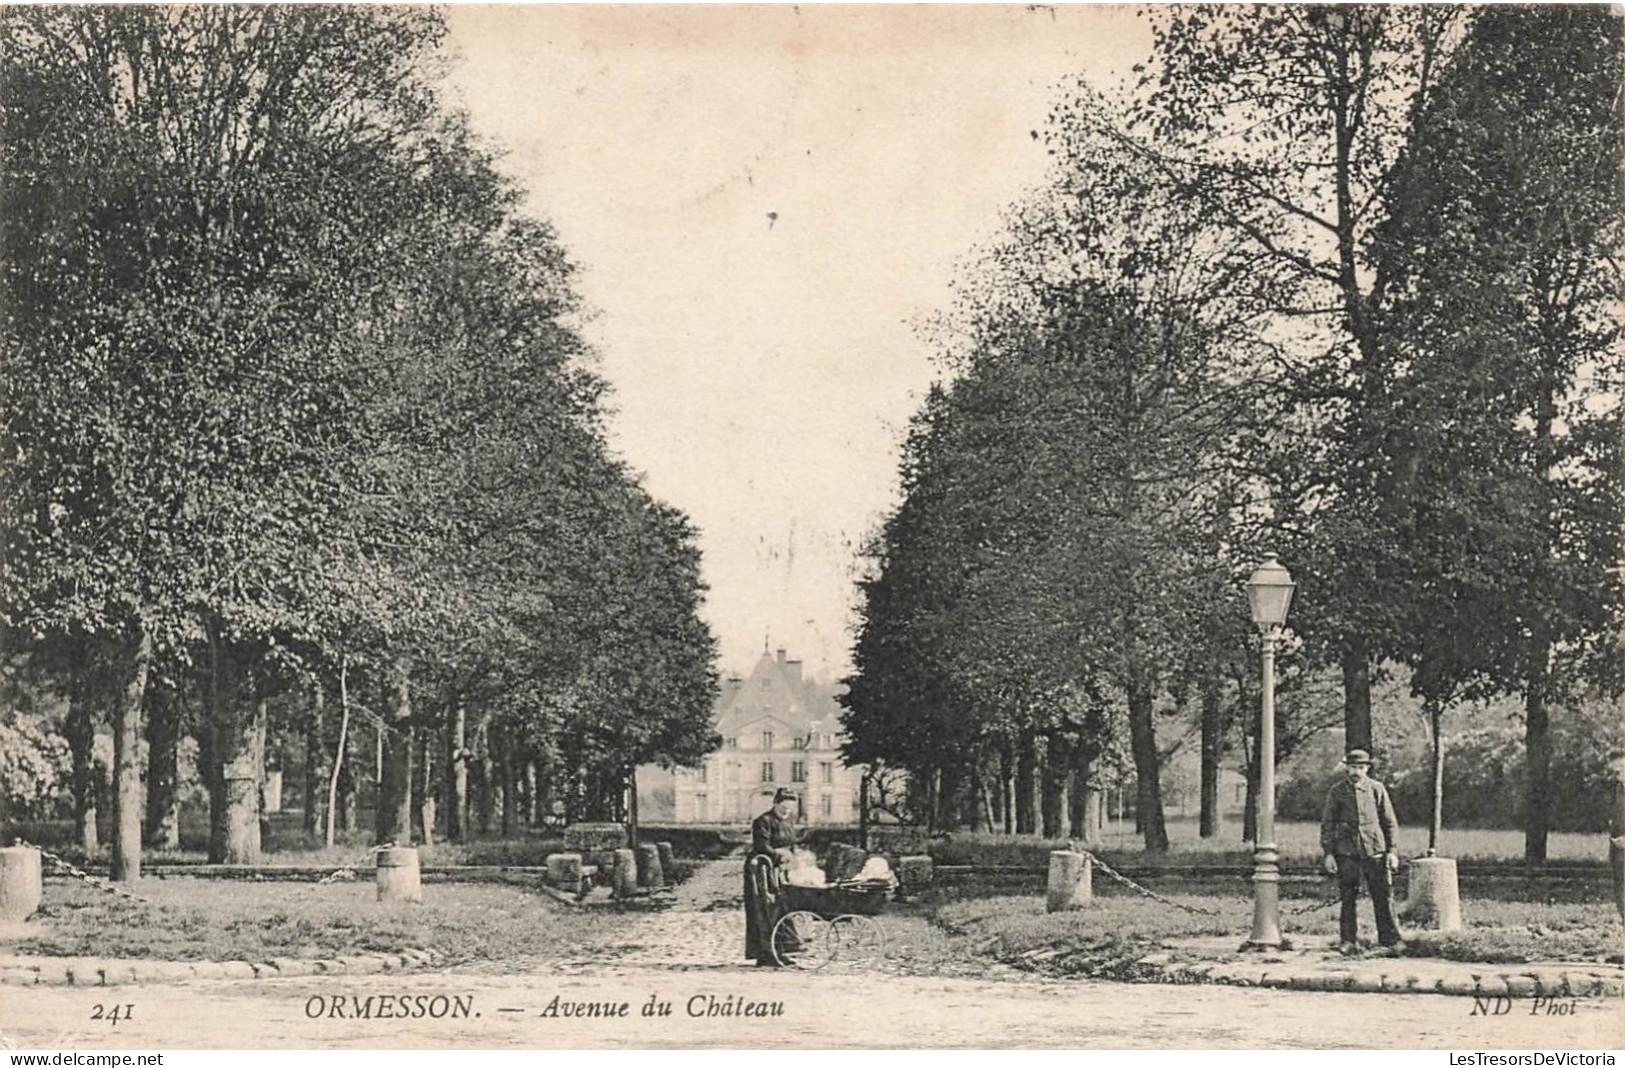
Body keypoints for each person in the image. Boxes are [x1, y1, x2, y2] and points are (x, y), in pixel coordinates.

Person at [1320, 748, 1403, 955]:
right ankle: (1348, 941)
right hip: (1346, 852)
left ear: (1367, 768)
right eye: (1353, 767)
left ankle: (1391, 940)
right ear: (1346, 768)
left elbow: (1389, 822)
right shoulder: (1337, 791)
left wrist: (1392, 851)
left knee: (1383, 896)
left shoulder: (1377, 789)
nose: (1357, 771)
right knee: (1348, 898)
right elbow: (1328, 824)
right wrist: (1329, 853)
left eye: (1361, 767)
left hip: (1375, 850)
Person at [744, 787, 799, 965]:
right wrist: (780, 855)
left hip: (778, 870)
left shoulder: (789, 822)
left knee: (781, 907)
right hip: (760, 870)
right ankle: (765, 953)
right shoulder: (762, 821)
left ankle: (780, 949)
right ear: (775, 804)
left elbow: (791, 845)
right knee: (763, 909)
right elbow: (762, 846)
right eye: (783, 809)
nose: (786, 812)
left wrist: (793, 859)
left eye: (789, 809)